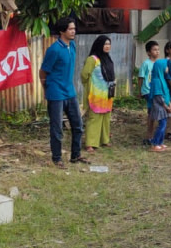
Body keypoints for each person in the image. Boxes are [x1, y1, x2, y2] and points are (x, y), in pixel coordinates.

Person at [40, 17, 85, 167]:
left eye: (74, 28)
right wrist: (47, 88)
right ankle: (57, 158)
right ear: (62, 31)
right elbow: (43, 72)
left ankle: (75, 155)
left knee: (78, 125)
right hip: (56, 93)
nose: (74, 31)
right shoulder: (54, 50)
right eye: (70, 29)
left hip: (70, 91)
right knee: (57, 127)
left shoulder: (72, 46)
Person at [81, 36, 115, 152]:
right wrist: (90, 86)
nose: (107, 46)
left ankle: (104, 140)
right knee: (94, 118)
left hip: (107, 94)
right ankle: (90, 143)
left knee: (106, 117)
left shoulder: (108, 59)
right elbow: (84, 75)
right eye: (105, 44)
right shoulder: (92, 59)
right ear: (99, 45)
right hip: (95, 94)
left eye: (109, 44)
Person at [146, 44, 171, 152]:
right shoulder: (156, 80)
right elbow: (158, 96)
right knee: (161, 125)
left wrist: (169, 104)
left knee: (164, 124)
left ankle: (160, 142)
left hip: (165, 106)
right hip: (160, 106)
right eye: (165, 66)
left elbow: (166, 93)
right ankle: (155, 143)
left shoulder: (162, 78)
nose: (167, 68)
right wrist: (166, 106)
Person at [138, 41, 160, 144]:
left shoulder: (159, 63)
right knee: (151, 112)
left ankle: (153, 134)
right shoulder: (146, 64)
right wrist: (140, 91)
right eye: (154, 50)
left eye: (158, 49)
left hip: (157, 91)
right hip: (148, 90)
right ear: (148, 52)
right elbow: (141, 78)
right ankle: (149, 135)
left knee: (154, 113)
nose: (157, 52)